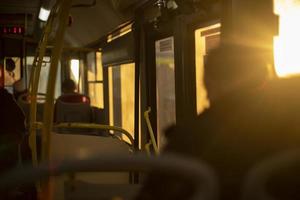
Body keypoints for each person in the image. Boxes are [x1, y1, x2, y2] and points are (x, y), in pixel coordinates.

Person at [136, 44, 300, 200]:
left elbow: (155, 193)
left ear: (209, 82)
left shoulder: (189, 140)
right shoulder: (290, 135)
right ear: (264, 79)